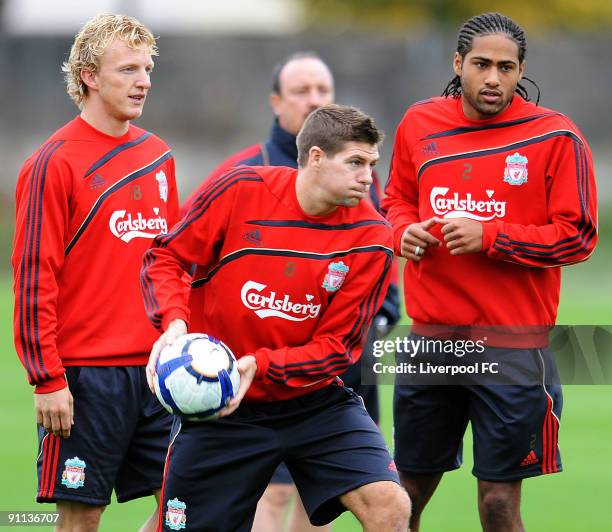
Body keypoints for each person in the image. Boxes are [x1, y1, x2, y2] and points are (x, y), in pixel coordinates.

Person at [142, 104, 411, 532]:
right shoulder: (241, 189)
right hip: (224, 404)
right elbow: (166, 256)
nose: (368, 177)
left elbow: (337, 349)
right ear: (317, 157)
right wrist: (174, 321)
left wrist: (260, 365)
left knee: (390, 505)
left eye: (373, 164)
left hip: (315, 403)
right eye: (356, 163)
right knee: (175, 526)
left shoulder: (373, 239)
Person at [382, 11, 598, 532]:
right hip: (433, 342)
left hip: (513, 347)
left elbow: (579, 235)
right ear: (459, 64)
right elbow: (395, 200)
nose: (493, 78)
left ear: (521, 71)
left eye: (506, 67)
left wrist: (491, 237)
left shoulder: (555, 136)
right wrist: (401, 231)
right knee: (401, 498)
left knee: (497, 504)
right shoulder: (420, 123)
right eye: (481, 64)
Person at [12, 13, 179, 532]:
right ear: (89, 76)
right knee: (83, 518)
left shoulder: (158, 157)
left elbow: (171, 262)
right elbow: (33, 276)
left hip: (159, 374)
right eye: (128, 69)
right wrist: (47, 380)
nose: (144, 80)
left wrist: (178, 328)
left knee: (185, 506)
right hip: (86, 380)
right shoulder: (53, 162)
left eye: (147, 68)